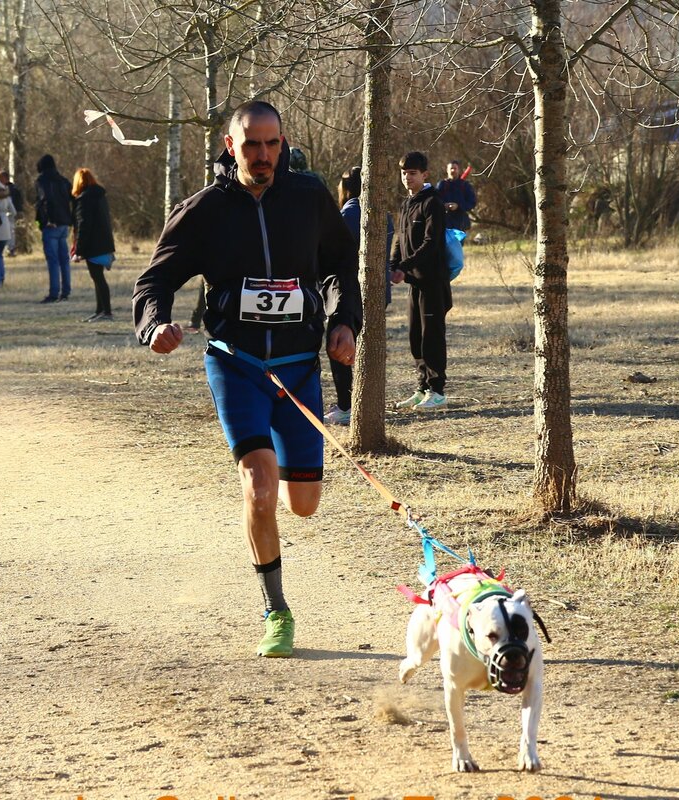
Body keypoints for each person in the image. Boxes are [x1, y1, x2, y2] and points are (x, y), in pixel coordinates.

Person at [132, 100, 361, 658]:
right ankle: (276, 611)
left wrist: (344, 321)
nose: (263, 155)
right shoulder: (204, 210)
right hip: (236, 365)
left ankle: (276, 481)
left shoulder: (308, 197)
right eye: (252, 144)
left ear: (283, 144)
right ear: (230, 145)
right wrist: (155, 324)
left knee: (302, 503)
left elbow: (339, 266)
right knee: (259, 489)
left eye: (272, 143)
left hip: (298, 368)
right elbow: (154, 281)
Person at [323, 166, 394, 425]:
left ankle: (346, 404)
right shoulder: (383, 214)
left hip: (351, 293)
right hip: (379, 290)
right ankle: (360, 403)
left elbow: (335, 255)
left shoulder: (348, 213)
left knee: (338, 346)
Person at [390, 151, 451, 411]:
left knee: (431, 336)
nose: (407, 178)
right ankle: (422, 387)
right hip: (414, 283)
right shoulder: (407, 203)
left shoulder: (432, 202)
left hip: (433, 282)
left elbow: (431, 243)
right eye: (404, 173)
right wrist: (393, 264)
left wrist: (404, 267)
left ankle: (437, 391)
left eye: (412, 173)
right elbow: (400, 238)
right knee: (415, 336)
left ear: (425, 174)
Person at [71, 168, 115, 321]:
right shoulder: (100, 196)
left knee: (98, 278)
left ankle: (106, 311)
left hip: (93, 244)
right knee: (97, 277)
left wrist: (78, 250)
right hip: (104, 241)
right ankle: (100, 310)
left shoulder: (84, 200)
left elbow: (83, 225)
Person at [35, 154, 73, 303]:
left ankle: (54, 292)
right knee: (64, 260)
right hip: (64, 223)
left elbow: (45, 200)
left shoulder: (42, 181)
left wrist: (48, 219)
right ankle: (66, 291)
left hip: (51, 225)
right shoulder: (63, 181)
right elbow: (72, 199)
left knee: (53, 261)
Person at [435, 159, 476, 231]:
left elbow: (472, 203)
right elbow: (434, 202)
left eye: (455, 168)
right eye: (451, 168)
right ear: (447, 170)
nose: (453, 170)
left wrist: (458, 206)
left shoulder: (465, 185)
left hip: (460, 224)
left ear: (458, 170)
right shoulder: (441, 185)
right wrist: (444, 206)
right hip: (444, 224)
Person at [0, 170, 23, 256]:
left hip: (9, 214)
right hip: (8, 214)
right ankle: (9, 249)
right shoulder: (12, 188)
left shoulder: (9, 189)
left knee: (10, 232)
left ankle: (10, 249)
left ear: (5, 178)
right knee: (10, 232)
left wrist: (17, 212)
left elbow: (18, 202)